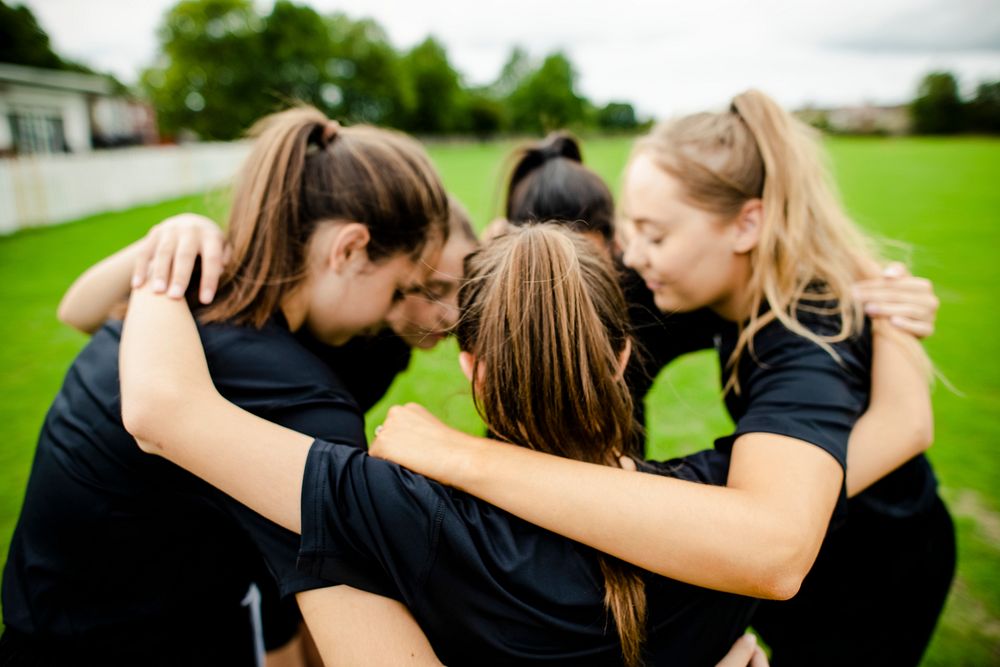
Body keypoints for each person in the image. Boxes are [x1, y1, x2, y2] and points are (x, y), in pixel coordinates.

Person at [117, 222, 925, 665]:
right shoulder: (725, 511)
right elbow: (895, 426)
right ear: (618, 358)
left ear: (469, 365)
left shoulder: (386, 504)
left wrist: (166, 259)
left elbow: (162, 409)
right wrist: (890, 310)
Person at [367, 91, 956, 666]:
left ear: (746, 225)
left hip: (873, 565)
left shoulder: (805, 333)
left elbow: (890, 437)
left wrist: (465, 459)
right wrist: (512, 266)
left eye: (655, 234)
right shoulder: (700, 281)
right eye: (630, 232)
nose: (634, 256)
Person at [0, 106, 451, 666]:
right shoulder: (303, 403)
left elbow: (83, 313)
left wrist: (167, 244)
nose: (391, 316)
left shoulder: (181, 306)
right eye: (397, 289)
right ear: (350, 249)